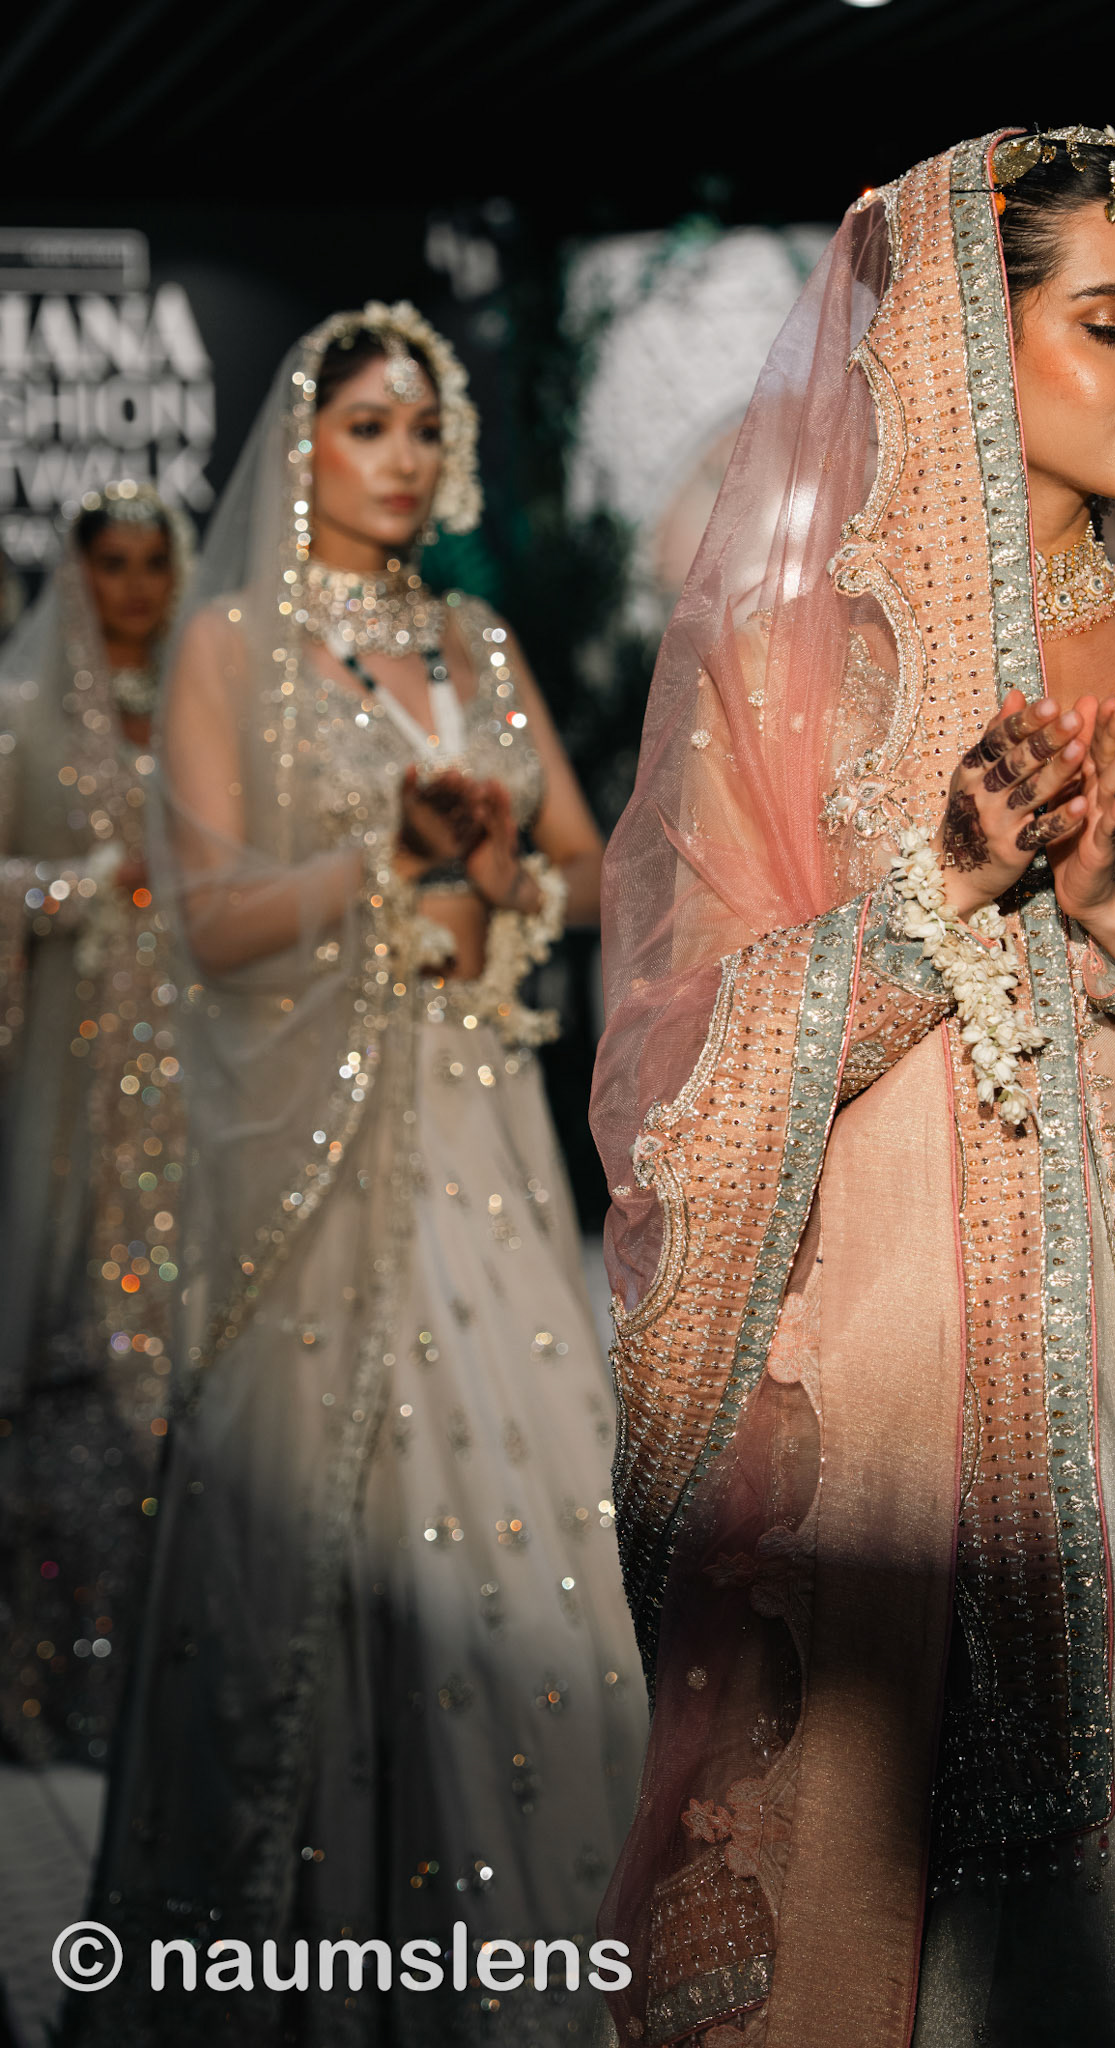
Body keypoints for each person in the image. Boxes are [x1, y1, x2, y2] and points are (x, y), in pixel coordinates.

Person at [590, 129, 1115, 2047]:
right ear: (960, 351)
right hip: (893, 1410)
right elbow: (679, 1080)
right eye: (1111, 320)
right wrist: (937, 896)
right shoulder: (784, 675)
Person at [85, 305, 645, 2043]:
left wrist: (506, 871)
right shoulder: (231, 645)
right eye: (367, 428)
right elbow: (211, 923)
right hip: (314, 1169)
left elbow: (595, 869)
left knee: (528, 1529)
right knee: (331, 1545)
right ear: (302, 448)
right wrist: (380, 865)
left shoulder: (474, 640)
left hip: (481, 1132)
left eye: (423, 428)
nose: (402, 459)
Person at [0, 482, 192, 1768]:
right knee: (69, 1347)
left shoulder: (206, 713)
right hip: (68, 1085)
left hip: (192, 1079)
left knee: (180, 1355)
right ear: (77, 573)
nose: (133, 585)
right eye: (110, 562)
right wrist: (83, 887)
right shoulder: (23, 717)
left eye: (151, 561)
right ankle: (53, 1680)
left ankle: (177, 1677)